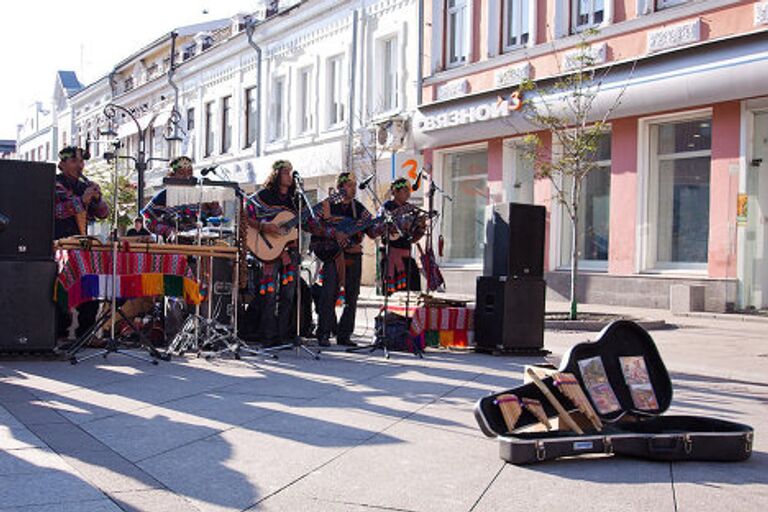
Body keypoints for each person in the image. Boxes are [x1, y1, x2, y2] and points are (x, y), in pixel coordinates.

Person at [244, 160, 332, 345]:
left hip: (290, 253)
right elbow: (247, 212)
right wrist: (264, 226)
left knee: (288, 295)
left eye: (291, 172)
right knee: (268, 294)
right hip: (269, 251)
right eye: (286, 172)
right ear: (276, 175)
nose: (290, 176)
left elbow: (306, 224)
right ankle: (267, 336)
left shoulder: (295, 200)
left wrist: (319, 215)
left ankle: (283, 335)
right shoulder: (264, 195)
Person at [311, 171, 383, 347]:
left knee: (352, 296)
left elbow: (372, 232)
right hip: (332, 255)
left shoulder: (358, 208)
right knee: (329, 294)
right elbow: (310, 224)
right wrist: (333, 233)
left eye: (354, 184)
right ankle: (324, 333)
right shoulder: (328, 205)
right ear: (340, 187)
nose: (353, 188)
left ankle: (344, 335)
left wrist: (382, 227)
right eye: (349, 184)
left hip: (353, 254)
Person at [53, 146, 110, 345]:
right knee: (61, 288)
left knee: (90, 285)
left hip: (81, 247)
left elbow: (103, 214)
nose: (80, 166)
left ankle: (86, 333)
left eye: (81, 162)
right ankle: (58, 332)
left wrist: (97, 197)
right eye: (75, 161)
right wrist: (82, 200)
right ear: (62, 164)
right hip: (58, 247)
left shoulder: (81, 186)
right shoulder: (54, 184)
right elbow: (57, 211)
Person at [141, 156, 222, 240]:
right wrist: (167, 230)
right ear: (172, 175)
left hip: (200, 242)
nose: (187, 177)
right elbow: (148, 220)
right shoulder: (163, 196)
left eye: (190, 172)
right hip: (174, 245)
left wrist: (214, 207)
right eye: (181, 173)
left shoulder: (201, 194)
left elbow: (217, 222)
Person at [380, 177, 426, 295]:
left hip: (407, 257)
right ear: (395, 192)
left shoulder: (412, 209)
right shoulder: (387, 207)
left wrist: (421, 228)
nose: (408, 193)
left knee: (414, 291)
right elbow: (381, 228)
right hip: (390, 257)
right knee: (393, 296)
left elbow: (413, 239)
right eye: (405, 190)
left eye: (409, 191)